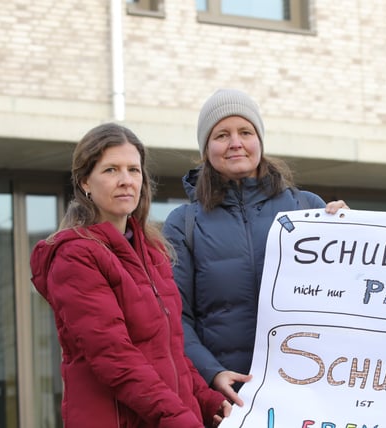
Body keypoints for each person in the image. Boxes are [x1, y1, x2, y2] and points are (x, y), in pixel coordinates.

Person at [31, 123, 230, 427]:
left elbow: (171, 353)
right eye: (111, 170)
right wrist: (179, 419)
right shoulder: (75, 256)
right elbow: (115, 359)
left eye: (133, 170)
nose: (125, 181)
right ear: (85, 181)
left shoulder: (152, 251)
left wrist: (208, 402)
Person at [162, 88, 347, 406]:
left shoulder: (309, 210)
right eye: (222, 134)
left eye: (245, 132)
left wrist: (348, 234)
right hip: (230, 401)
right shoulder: (183, 223)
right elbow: (176, 318)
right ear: (206, 148)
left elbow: (344, 299)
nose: (235, 142)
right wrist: (213, 373)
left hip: (304, 395)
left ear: (259, 141)